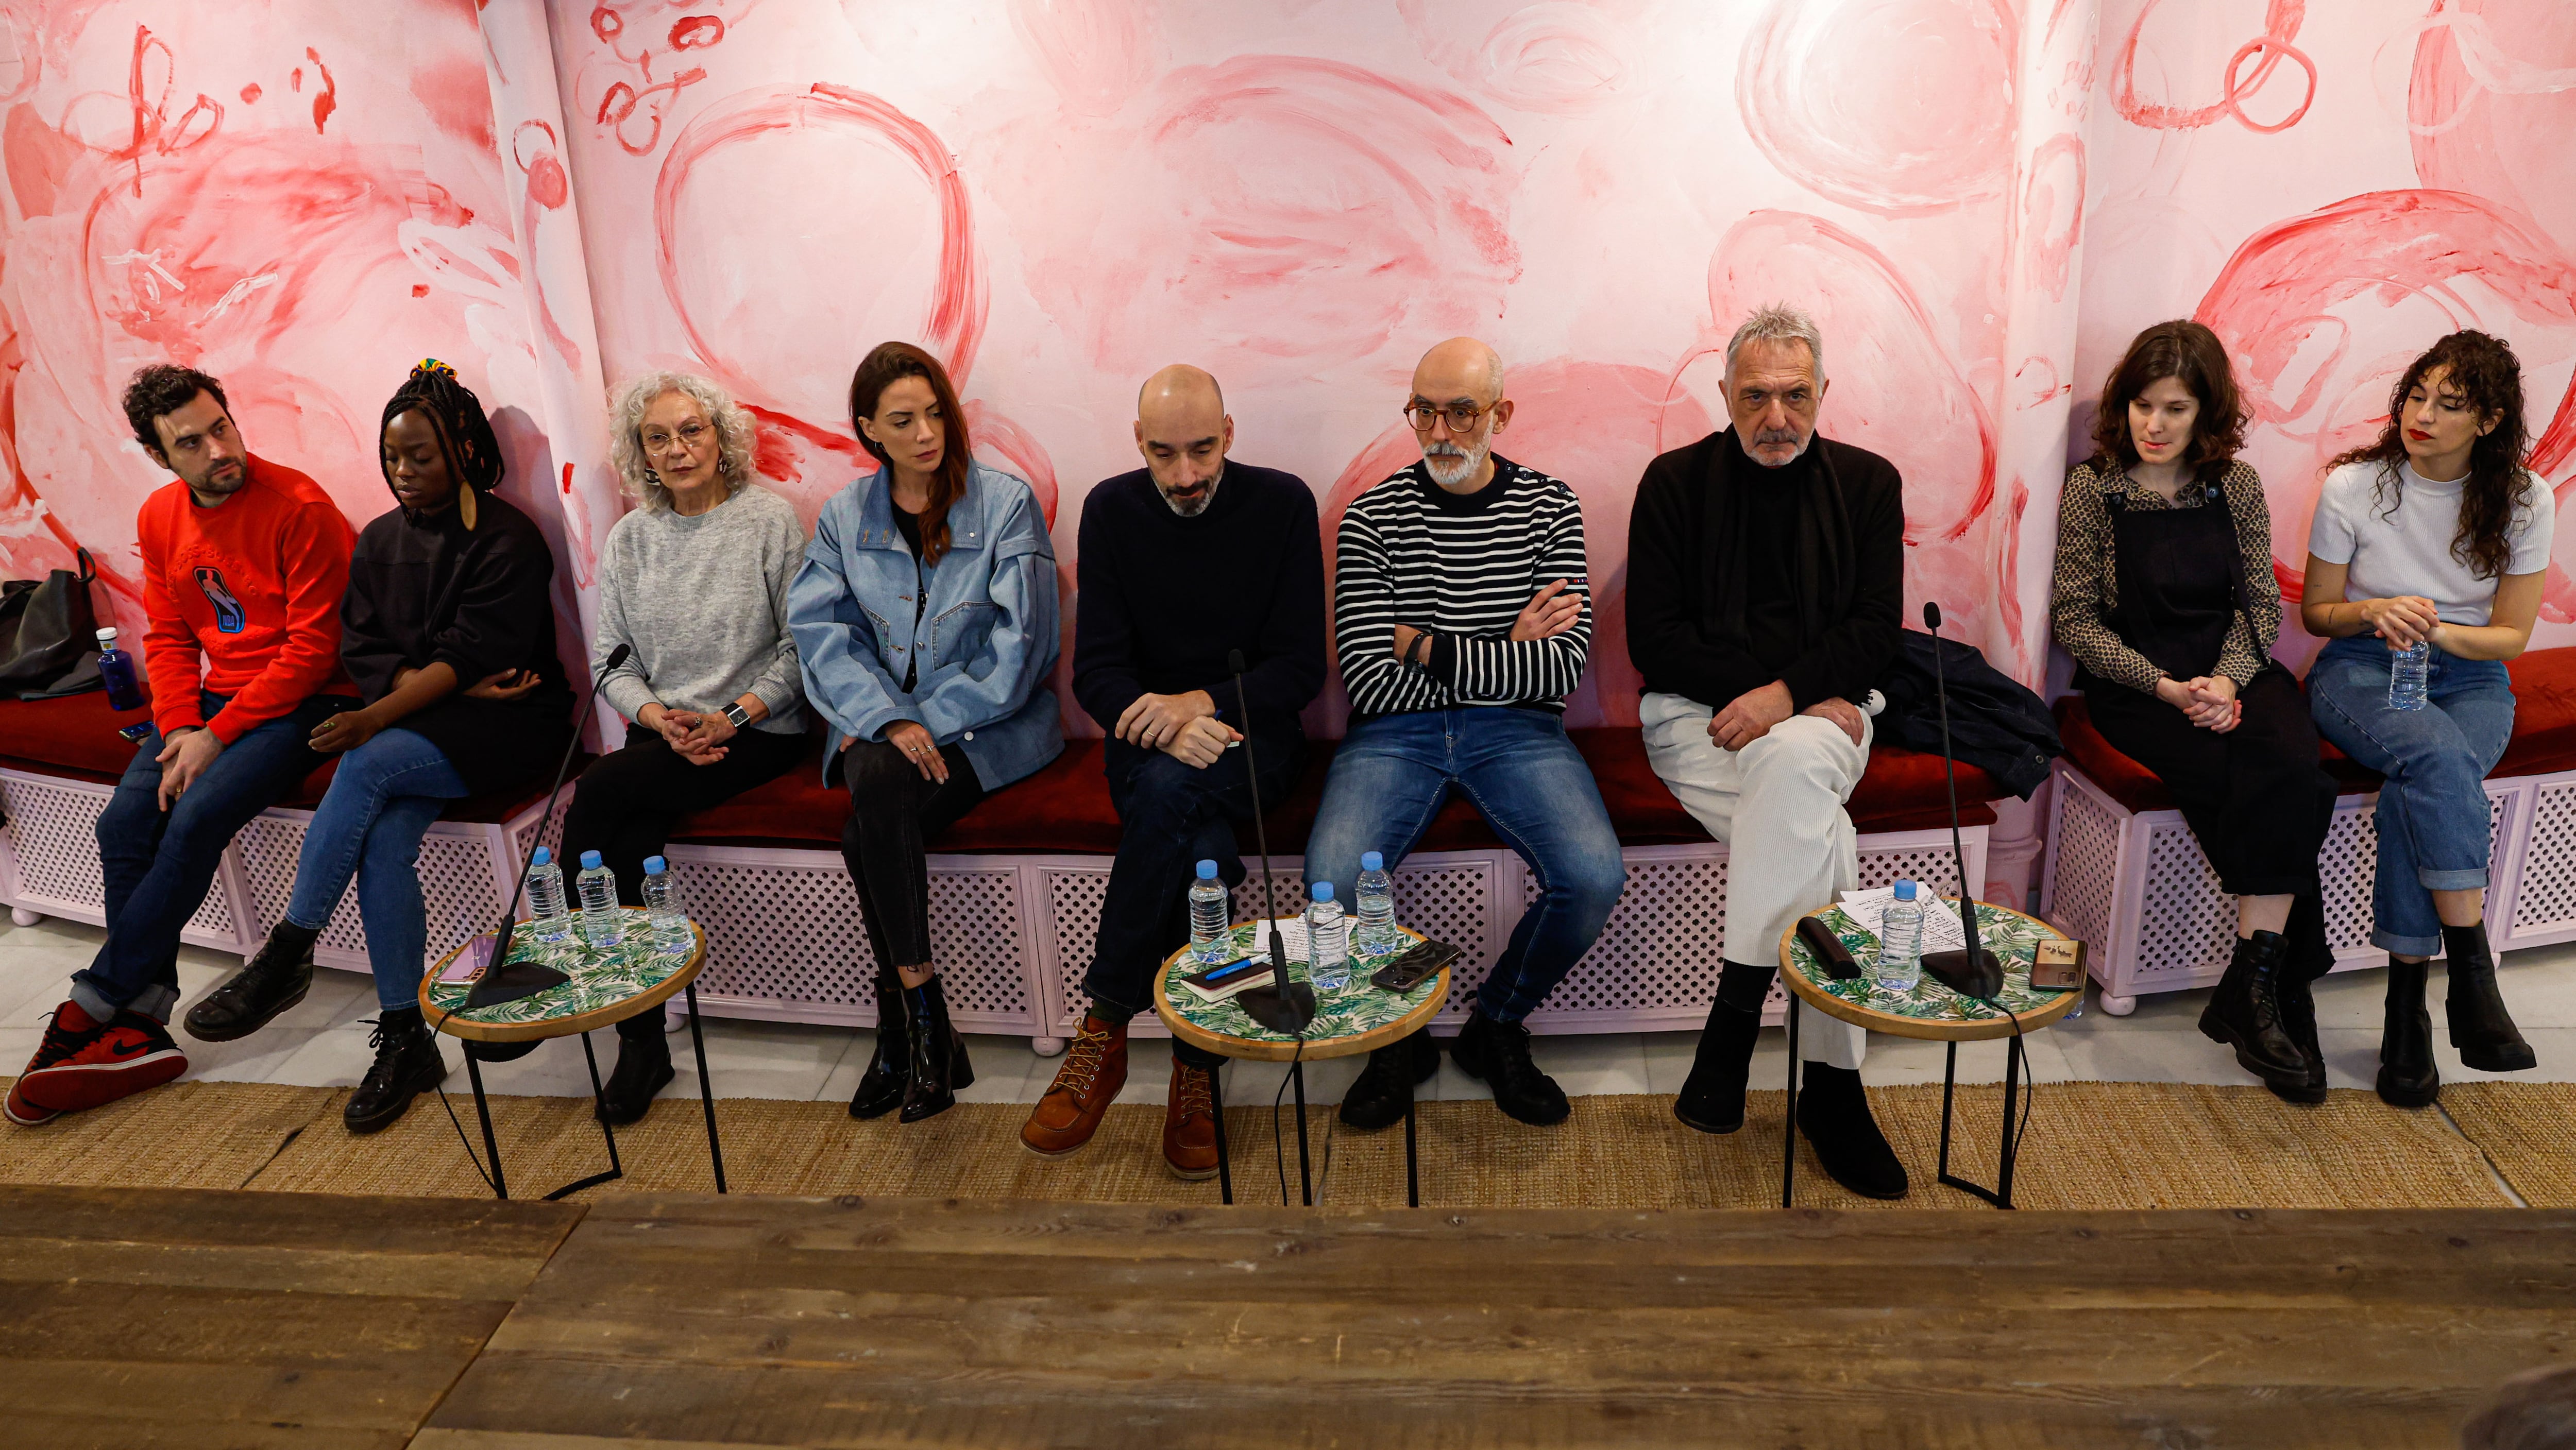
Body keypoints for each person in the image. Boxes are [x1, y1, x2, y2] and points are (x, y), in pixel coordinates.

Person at [175, 362, 574, 1131]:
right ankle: (405, 1038)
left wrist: (389, 710)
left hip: (512, 727)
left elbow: (473, 656)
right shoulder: (381, 540)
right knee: (384, 839)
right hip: (427, 721)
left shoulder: (507, 538)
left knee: (361, 761)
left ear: (461, 448)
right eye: (393, 457)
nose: (403, 472)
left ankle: (289, 951)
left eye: (420, 456)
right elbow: (363, 645)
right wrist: (430, 691)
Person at [7, 366, 358, 1128]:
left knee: (196, 817)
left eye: (221, 427)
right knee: (125, 823)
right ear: (160, 455)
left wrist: (216, 737)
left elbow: (310, 652)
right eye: (191, 443)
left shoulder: (300, 509)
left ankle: (94, 1004)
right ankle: (143, 1022)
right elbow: (167, 636)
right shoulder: (161, 516)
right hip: (207, 707)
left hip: (312, 700)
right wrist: (179, 732)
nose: (218, 450)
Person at [1626, 305, 1910, 1199]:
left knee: (1792, 764)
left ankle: (1735, 1024)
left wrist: (1784, 699)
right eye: (1756, 396)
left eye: (1795, 395)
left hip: (1820, 718)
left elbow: (1876, 630)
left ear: (1823, 394)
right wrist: (1776, 692)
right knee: (1821, 832)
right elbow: (1655, 638)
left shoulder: (1869, 483)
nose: (1776, 416)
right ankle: (1831, 1089)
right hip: (1695, 718)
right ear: (1726, 396)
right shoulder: (1672, 483)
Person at [1305, 337, 1625, 1130]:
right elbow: (1368, 679)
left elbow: (1561, 673)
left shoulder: (1549, 506)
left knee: (1591, 876)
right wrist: (1508, 644)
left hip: (1518, 732)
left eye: (1462, 411)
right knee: (1332, 882)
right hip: (1394, 733)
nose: (1440, 430)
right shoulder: (1371, 517)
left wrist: (1427, 643)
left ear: (1500, 415)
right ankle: (1394, 1039)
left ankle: (1497, 1024)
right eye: (1425, 411)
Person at [1019, 366, 1326, 1176]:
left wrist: (1203, 704)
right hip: (1149, 741)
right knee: (1203, 850)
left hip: (1256, 739)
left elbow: (1301, 668)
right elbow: (1097, 673)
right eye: (1164, 455)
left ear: (1230, 433)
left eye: (1201, 450)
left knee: (1168, 795)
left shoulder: (1284, 502)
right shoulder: (1112, 510)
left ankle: (1106, 1027)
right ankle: (1196, 1062)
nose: (1185, 476)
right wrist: (1166, 724)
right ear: (1138, 445)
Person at [2050, 321, 2341, 1103]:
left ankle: (2252, 984)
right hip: (2138, 687)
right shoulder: (2095, 488)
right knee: (2275, 789)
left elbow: (2258, 610)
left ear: (2205, 413)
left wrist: (2224, 681)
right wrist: (2170, 689)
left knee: (2293, 766)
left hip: (2232, 673)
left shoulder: (2233, 486)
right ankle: (2288, 992)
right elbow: (2075, 622)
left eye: (2175, 409)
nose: (2155, 425)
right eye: (2144, 406)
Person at [791, 341, 1062, 1124]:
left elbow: (1022, 653)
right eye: (903, 421)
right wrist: (885, 718)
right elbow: (822, 637)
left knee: (862, 832)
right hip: (876, 732)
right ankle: (924, 1023)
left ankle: (904, 1030)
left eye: (935, 414)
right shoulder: (845, 518)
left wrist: (921, 722)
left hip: (989, 730)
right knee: (877, 781)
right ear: (869, 429)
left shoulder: (1004, 505)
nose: (925, 435)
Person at [2302, 330, 2553, 1108]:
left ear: (2489, 420)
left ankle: (2405, 1009)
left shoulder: (2523, 499)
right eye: (2416, 395)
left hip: (2472, 675)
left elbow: (2512, 635)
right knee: (2442, 767)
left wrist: (2440, 631)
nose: (2424, 415)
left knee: (2423, 783)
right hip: (2363, 668)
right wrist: (2375, 611)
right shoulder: (2355, 487)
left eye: (2451, 404)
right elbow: (2317, 615)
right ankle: (2472, 976)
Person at [560, 371, 811, 1124]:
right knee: (631, 838)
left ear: (723, 437)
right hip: (667, 740)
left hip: (760, 733)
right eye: (658, 437)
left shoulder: (771, 521)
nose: (678, 449)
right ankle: (642, 1045)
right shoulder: (632, 538)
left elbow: (804, 653)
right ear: (641, 453)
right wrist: (659, 716)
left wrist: (731, 715)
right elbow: (613, 661)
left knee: (600, 791)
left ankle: (576, 971)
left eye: (692, 430)